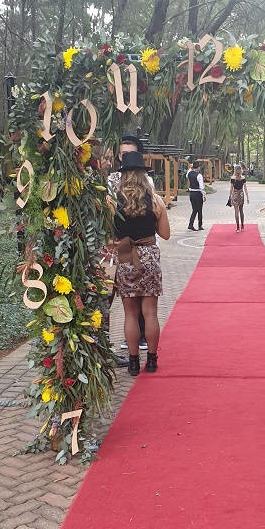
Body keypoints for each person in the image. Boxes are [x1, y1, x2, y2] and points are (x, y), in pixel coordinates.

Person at [114, 151, 170, 376]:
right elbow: (165, 234)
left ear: (124, 175)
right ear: (143, 175)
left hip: (126, 257)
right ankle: (153, 361)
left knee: (130, 313)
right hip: (149, 258)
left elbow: (109, 236)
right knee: (150, 313)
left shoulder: (114, 202)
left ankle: (134, 361)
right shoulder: (155, 201)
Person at [108, 135, 155, 354]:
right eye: (123, 153)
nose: (126, 157)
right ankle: (139, 349)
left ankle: (138, 345)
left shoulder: (148, 183)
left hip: (141, 246)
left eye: (131, 153)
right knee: (130, 303)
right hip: (121, 249)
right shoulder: (110, 182)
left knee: (139, 304)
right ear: (118, 156)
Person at [229, 163, 249, 231]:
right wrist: (247, 197)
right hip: (241, 194)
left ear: (235, 170)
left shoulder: (232, 178)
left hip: (235, 194)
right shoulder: (243, 178)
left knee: (236, 211)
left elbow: (231, 188)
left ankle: (237, 228)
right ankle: (242, 227)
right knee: (241, 210)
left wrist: (230, 196)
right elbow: (245, 188)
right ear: (241, 170)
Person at [187, 160, 206, 231]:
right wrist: (204, 195)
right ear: (198, 167)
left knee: (194, 209)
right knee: (199, 210)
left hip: (191, 193)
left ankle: (190, 224)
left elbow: (187, 174)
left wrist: (191, 167)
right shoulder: (199, 175)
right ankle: (200, 225)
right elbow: (202, 187)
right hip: (198, 193)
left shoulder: (189, 173)